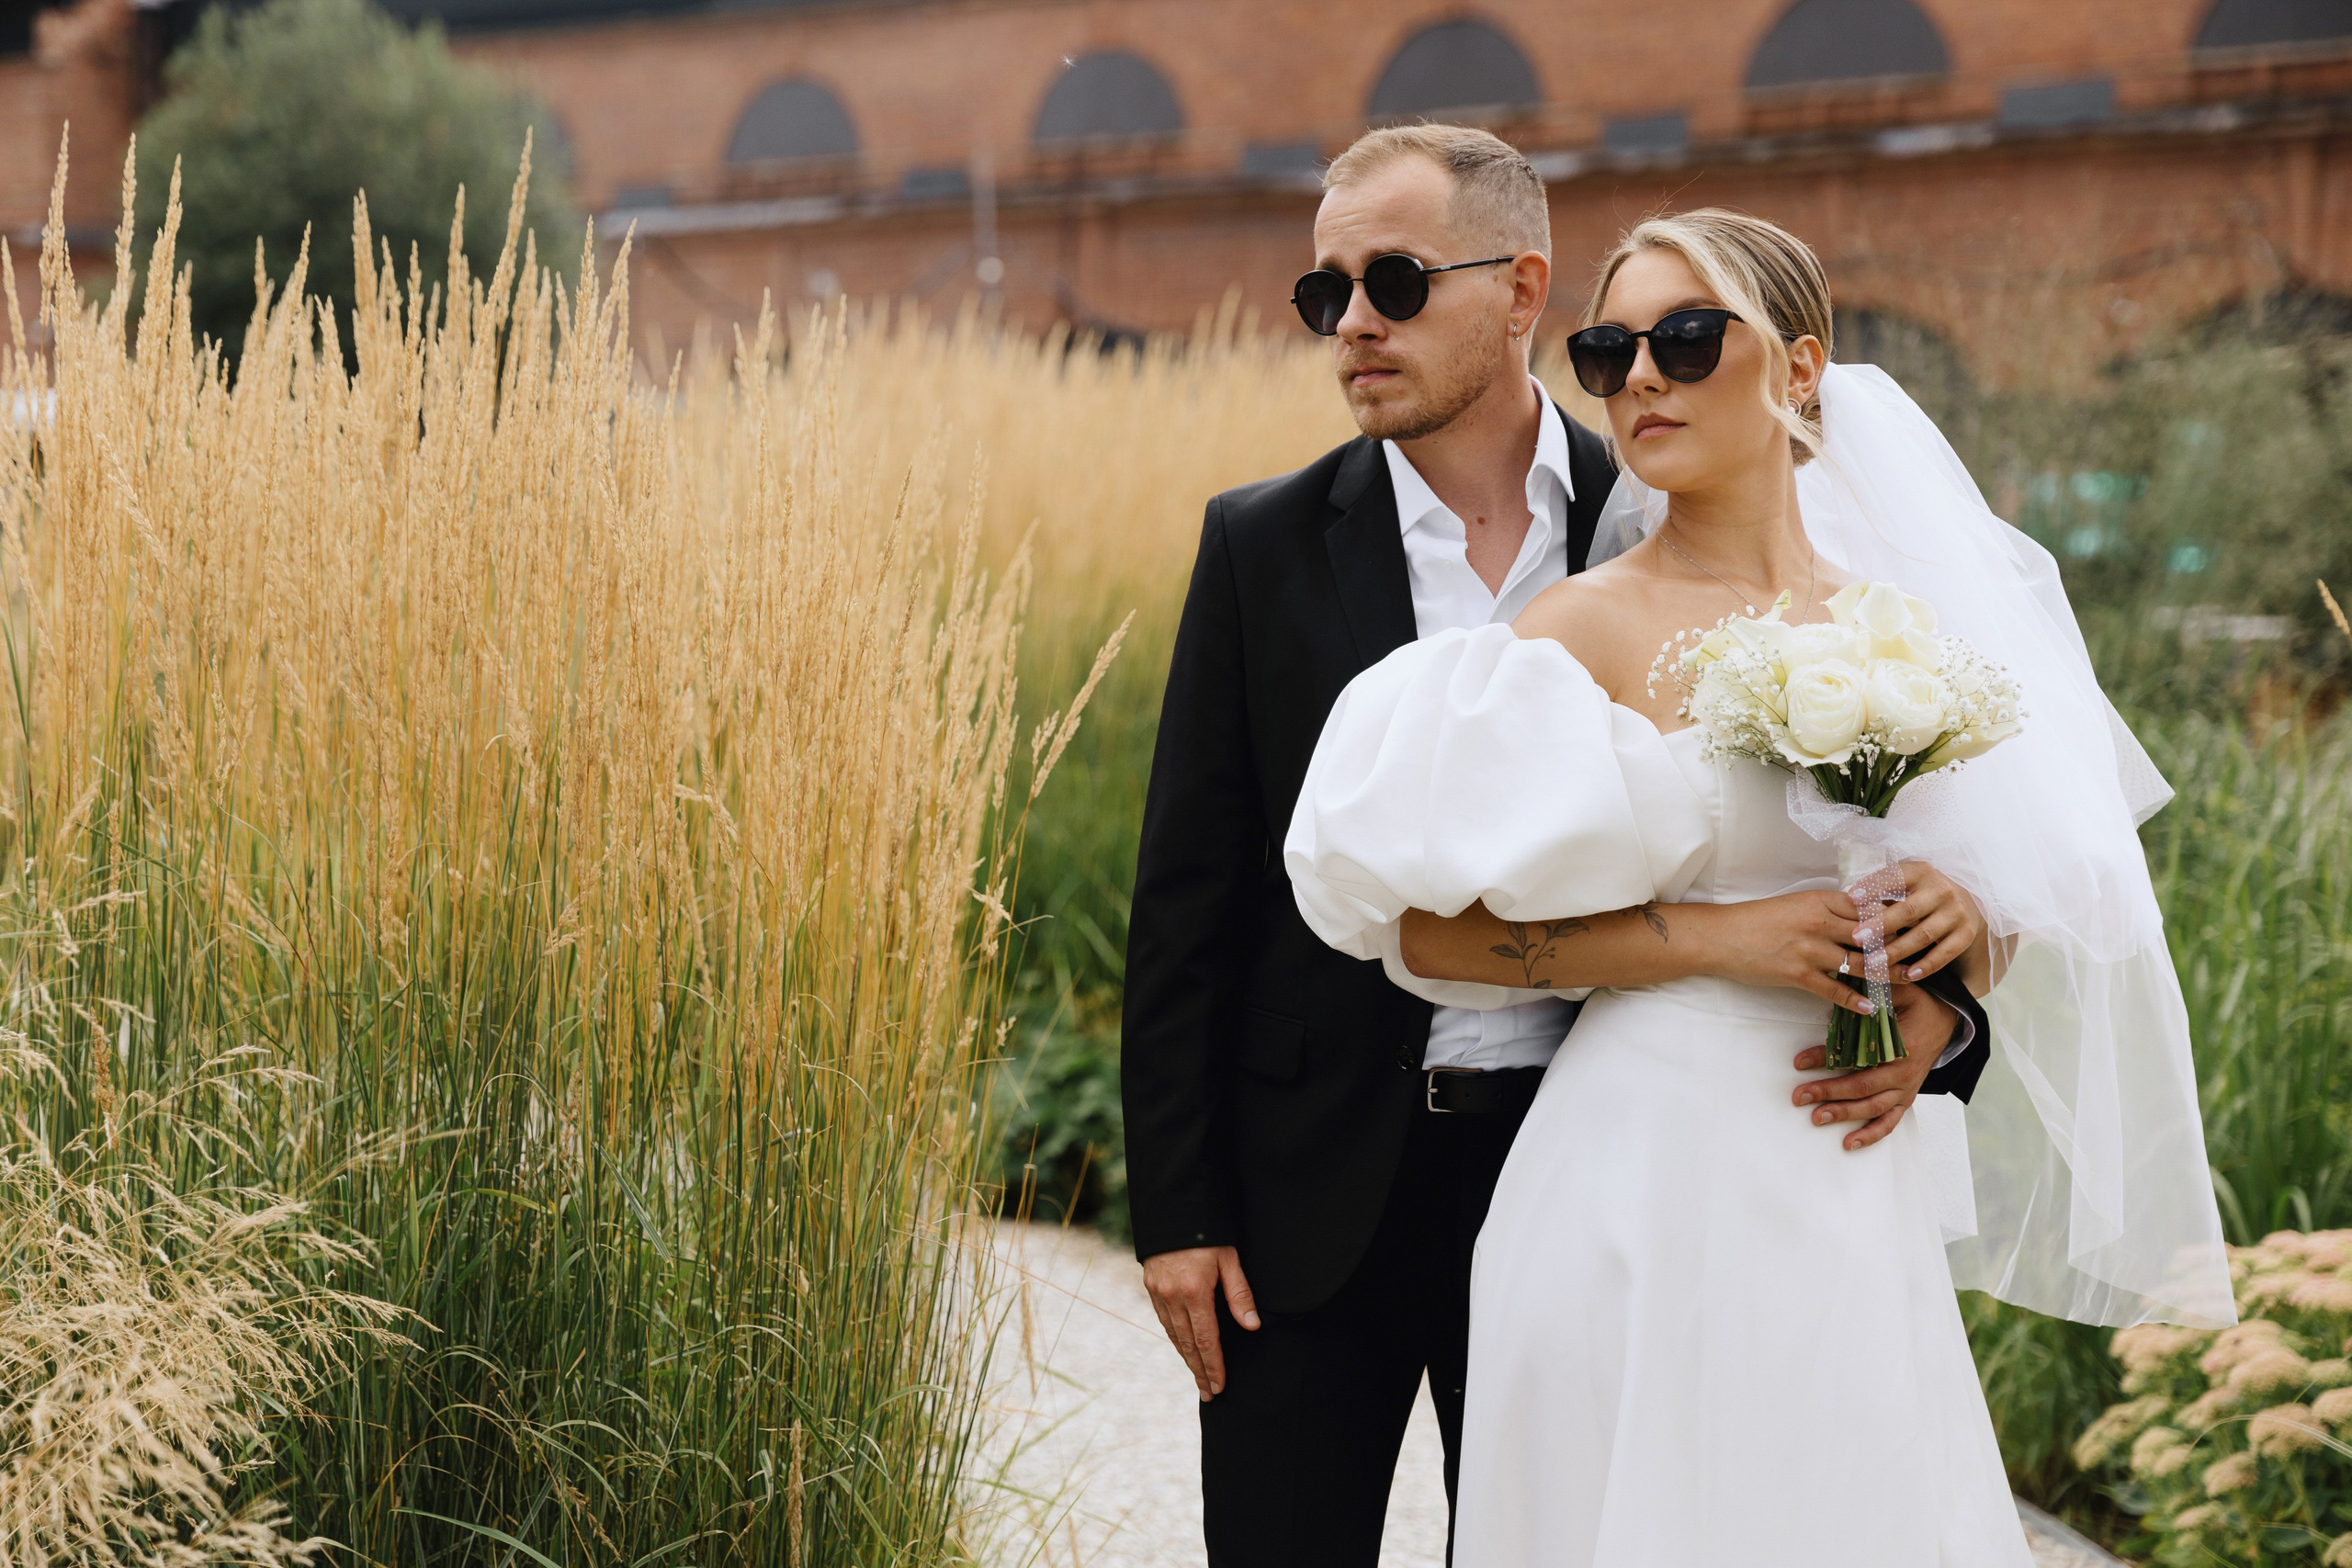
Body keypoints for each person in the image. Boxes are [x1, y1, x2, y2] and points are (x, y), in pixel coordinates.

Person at [1283, 207, 2236, 1564]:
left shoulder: (1909, 634)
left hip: (1852, 1182)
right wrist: (1719, 939)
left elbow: (2021, 885)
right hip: (1636, 1182)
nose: (1643, 381)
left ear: (1799, 369)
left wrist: (1964, 943)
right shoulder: (1579, 628)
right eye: (1610, 352)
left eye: (1685, 337)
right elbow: (1438, 931)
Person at [1121, 125, 1992, 1567]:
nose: (1352, 326)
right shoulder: (1259, 545)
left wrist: (1941, 1012)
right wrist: (1179, 1214)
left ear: (1522, 291)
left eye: (1391, 282)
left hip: (1588, 1166)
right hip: (1310, 1196)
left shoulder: (1656, 505)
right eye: (1323, 293)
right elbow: (1188, 900)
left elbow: (1908, 852)